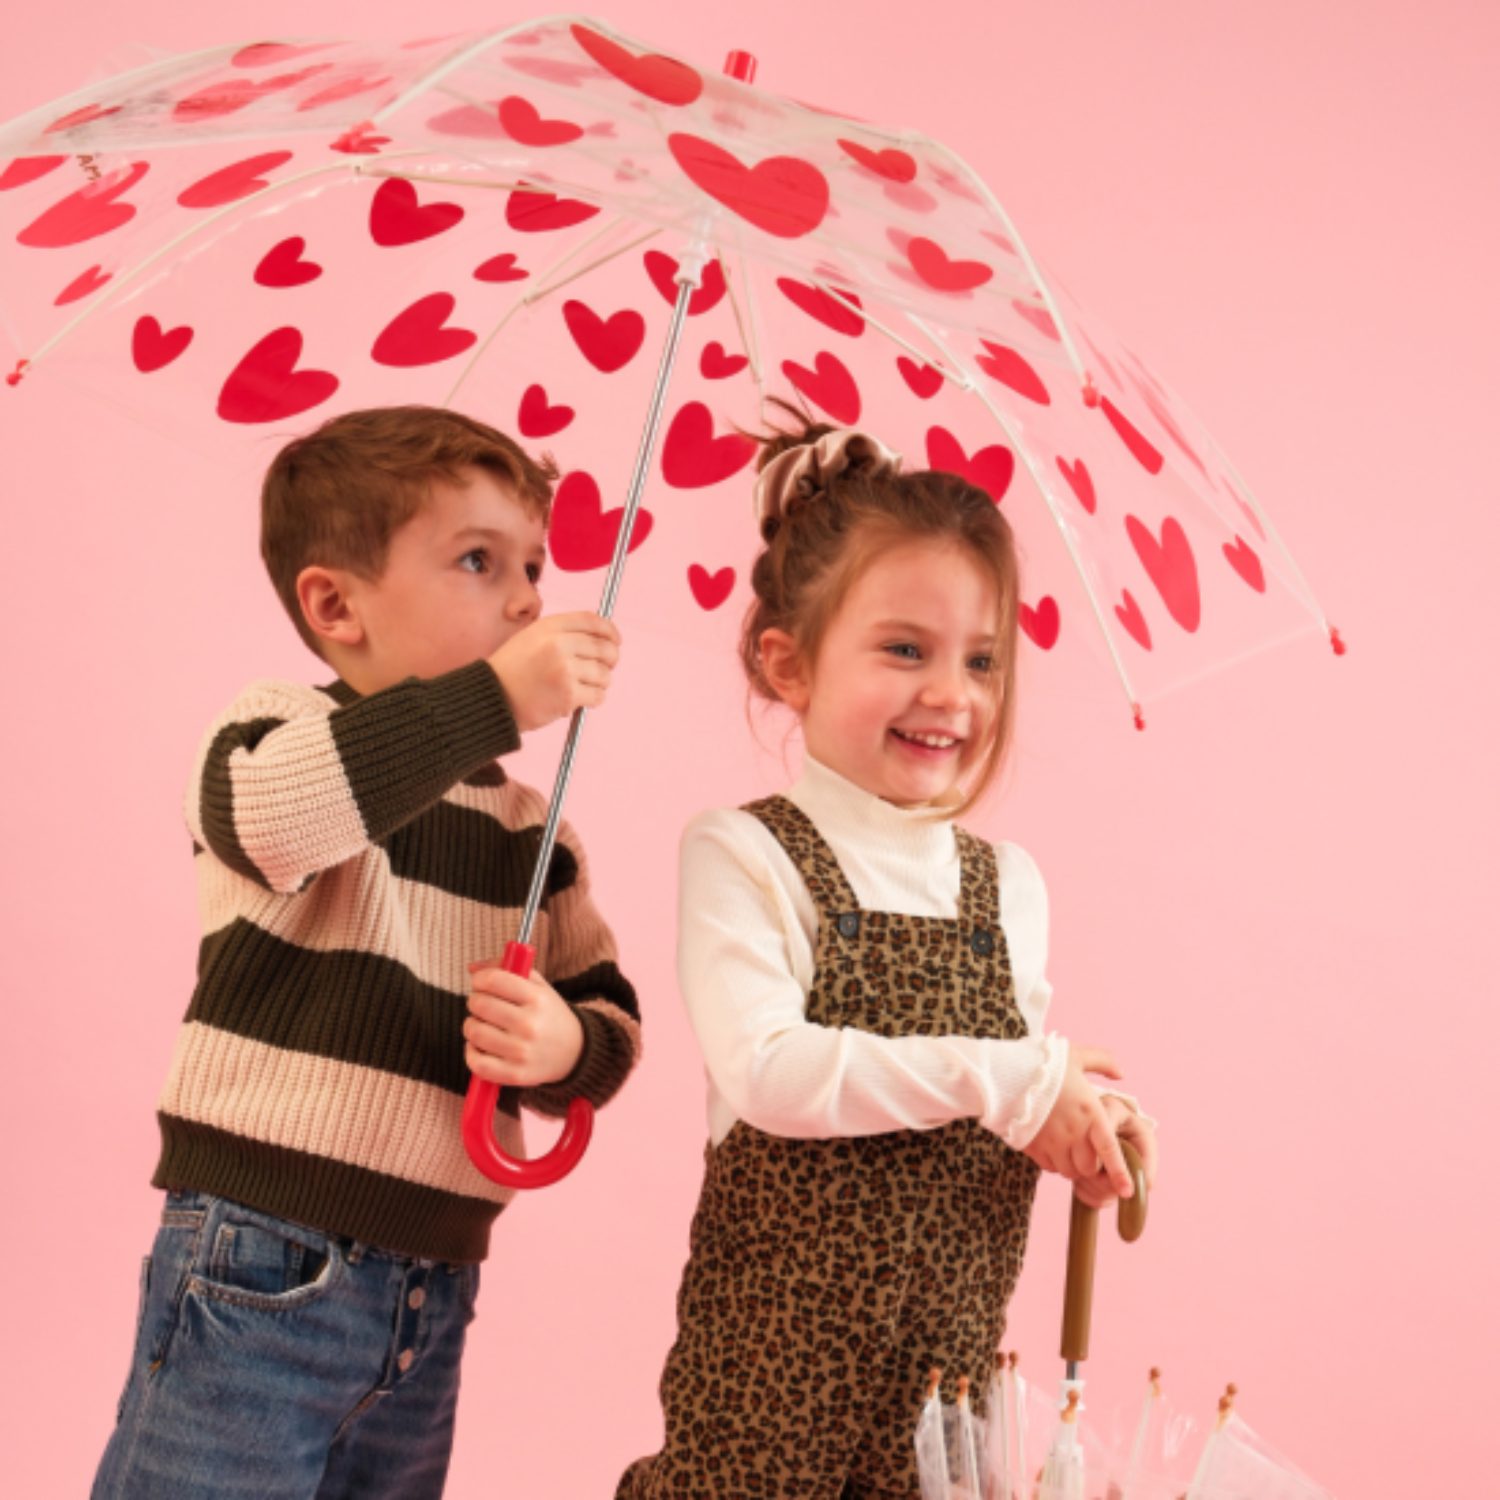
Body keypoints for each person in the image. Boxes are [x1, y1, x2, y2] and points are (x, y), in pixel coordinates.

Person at [92, 405, 640, 1500]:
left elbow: (610, 1027)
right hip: (262, 1258)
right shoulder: (274, 732)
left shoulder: (533, 833)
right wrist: (496, 697)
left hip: (433, 1290)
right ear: (337, 605)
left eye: (534, 567)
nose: (527, 601)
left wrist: (563, 1045)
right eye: (479, 561)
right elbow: (280, 820)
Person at [617, 412, 1158, 1499]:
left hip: (943, 1399)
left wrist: (1081, 1122)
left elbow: (1012, 1098)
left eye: (982, 659)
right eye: (905, 649)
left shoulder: (1009, 885)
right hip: (768, 1392)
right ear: (790, 664)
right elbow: (770, 1073)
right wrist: (1017, 1078)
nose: (951, 693)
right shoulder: (747, 852)